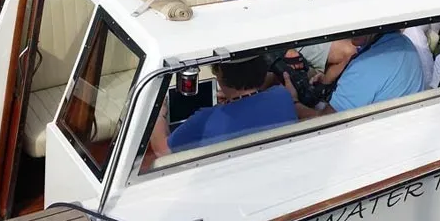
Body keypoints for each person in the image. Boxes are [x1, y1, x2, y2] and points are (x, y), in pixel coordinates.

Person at [150, 56, 297, 155]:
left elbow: (162, 152)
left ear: (219, 73)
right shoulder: (282, 96)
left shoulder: (204, 120)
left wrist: (158, 111)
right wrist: (235, 97)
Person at [285, 32, 423, 118]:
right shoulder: (404, 43)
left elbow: (325, 124)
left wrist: (293, 102)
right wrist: (330, 80)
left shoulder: (365, 67)